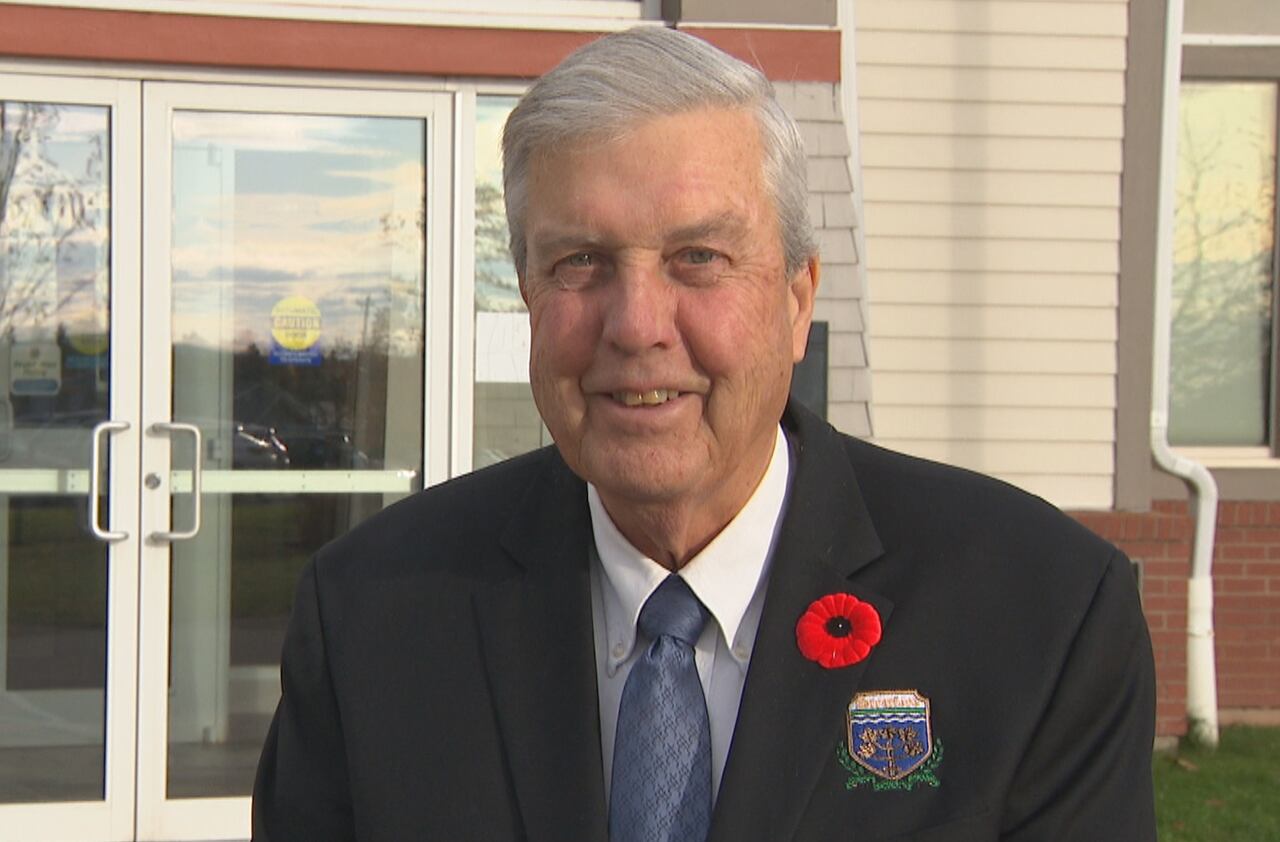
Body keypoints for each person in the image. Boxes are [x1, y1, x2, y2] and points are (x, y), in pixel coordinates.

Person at [252, 26, 1156, 842]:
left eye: (698, 259)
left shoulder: (1040, 614)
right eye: (581, 263)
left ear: (798, 301)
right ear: (529, 297)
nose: (637, 324)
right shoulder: (374, 613)